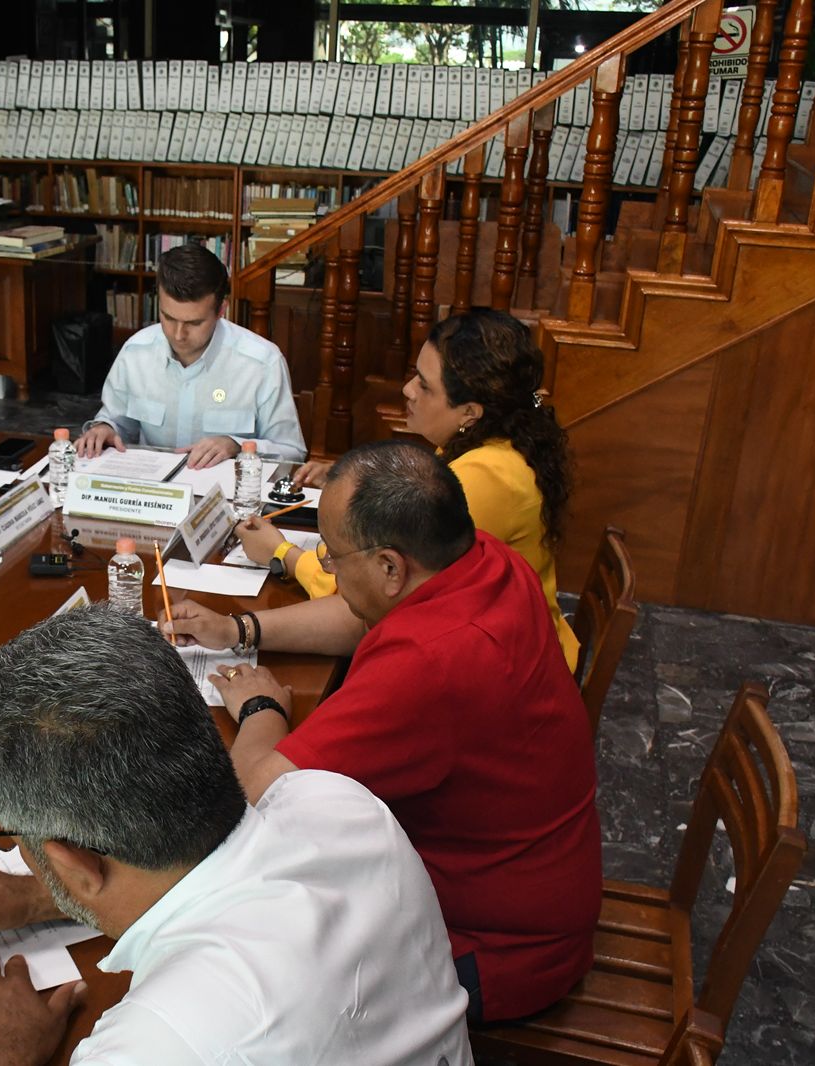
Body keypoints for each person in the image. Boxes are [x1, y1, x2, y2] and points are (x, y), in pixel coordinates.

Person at [0, 606, 473, 1066]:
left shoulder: (154, 1045)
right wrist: (42, 898)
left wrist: (0, 1051)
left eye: (7, 831)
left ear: (74, 863)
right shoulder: (340, 803)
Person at [163, 440, 600, 1024]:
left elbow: (252, 799)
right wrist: (240, 628)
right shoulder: (481, 558)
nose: (329, 571)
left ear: (391, 566)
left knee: (238, 970)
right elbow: (361, 614)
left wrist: (262, 708)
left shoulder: (429, 666)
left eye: (332, 557)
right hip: (533, 884)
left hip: (490, 950)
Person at [234, 308, 579, 669]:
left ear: (470, 412)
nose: (407, 390)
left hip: (506, 667)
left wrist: (282, 554)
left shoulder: (484, 477)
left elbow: (379, 597)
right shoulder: (485, 444)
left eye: (425, 385)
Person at [77, 244, 306, 467]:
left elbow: (292, 453)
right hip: (152, 486)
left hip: (228, 489)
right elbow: (117, 422)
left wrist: (237, 446)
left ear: (221, 310)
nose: (178, 335)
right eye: (168, 317)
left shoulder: (262, 363)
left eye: (194, 323)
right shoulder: (135, 352)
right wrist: (105, 429)